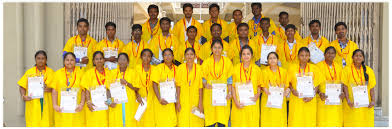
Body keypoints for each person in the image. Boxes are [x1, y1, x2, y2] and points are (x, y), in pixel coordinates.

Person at [287, 47, 324, 127]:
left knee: (309, 121)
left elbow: (317, 84)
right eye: (302, 55)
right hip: (296, 99)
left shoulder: (314, 68)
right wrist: (292, 90)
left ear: (309, 56)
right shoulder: (292, 67)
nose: (304, 58)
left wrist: (312, 95)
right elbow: (288, 82)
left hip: (309, 100)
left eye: (306, 55)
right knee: (295, 121)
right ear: (298, 56)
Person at [17, 50, 55, 127]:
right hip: (33, 104)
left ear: (46, 60)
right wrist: (23, 96)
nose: (41, 60)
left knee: (47, 124)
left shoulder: (52, 73)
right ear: (35, 59)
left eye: (43, 58)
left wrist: (49, 89)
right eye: (38, 58)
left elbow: (57, 89)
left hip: (47, 105)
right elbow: (22, 86)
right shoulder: (29, 72)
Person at [201, 39, 233, 127]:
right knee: (210, 120)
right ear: (211, 49)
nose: (217, 50)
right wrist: (205, 84)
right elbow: (203, 78)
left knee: (221, 120)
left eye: (219, 48)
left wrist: (230, 93)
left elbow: (229, 80)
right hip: (210, 93)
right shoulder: (207, 62)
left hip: (223, 95)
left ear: (222, 49)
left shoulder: (227, 61)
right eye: (215, 47)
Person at [341, 49, 376, 127]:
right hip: (352, 104)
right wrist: (348, 100)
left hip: (365, 105)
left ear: (363, 58)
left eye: (360, 56)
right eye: (356, 56)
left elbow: (371, 87)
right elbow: (345, 86)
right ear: (352, 57)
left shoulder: (369, 70)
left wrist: (373, 100)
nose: (358, 57)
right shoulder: (346, 69)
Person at [49, 52, 85, 127]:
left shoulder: (81, 73)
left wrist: (81, 104)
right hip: (62, 110)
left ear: (75, 61)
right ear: (64, 61)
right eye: (67, 60)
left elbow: (83, 90)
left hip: (77, 109)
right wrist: (55, 105)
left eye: (72, 60)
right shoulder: (57, 73)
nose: (69, 62)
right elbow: (54, 90)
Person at [231, 45, 261, 127]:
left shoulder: (257, 69)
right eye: (243, 54)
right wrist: (236, 102)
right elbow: (232, 87)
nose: (246, 56)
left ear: (252, 55)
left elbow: (259, 85)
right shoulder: (235, 68)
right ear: (241, 56)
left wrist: (257, 95)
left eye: (248, 54)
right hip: (239, 103)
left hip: (252, 102)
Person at [107, 53, 139, 127]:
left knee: (130, 123)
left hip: (129, 104)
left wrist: (127, 83)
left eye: (124, 59)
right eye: (120, 59)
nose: (122, 61)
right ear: (117, 61)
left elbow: (137, 88)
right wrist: (109, 101)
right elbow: (107, 89)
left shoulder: (133, 72)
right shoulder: (112, 73)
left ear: (128, 62)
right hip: (116, 104)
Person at [175, 48, 205, 127]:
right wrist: (177, 102)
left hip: (195, 99)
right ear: (184, 56)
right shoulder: (180, 68)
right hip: (183, 99)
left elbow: (200, 87)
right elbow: (178, 86)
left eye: (191, 54)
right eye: (187, 54)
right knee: (182, 121)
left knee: (196, 122)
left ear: (195, 56)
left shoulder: (199, 68)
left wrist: (200, 103)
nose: (189, 56)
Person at [260, 52, 290, 127]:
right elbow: (261, 84)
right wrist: (264, 89)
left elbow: (287, 85)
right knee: (267, 122)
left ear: (278, 60)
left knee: (279, 121)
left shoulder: (284, 71)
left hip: (280, 100)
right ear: (267, 60)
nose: (272, 60)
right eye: (270, 58)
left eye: (274, 58)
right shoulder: (263, 71)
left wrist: (287, 91)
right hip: (267, 100)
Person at [315, 46, 344, 127]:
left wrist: (342, 92)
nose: (330, 55)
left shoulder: (339, 67)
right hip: (323, 99)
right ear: (324, 54)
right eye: (328, 53)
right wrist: (320, 92)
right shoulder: (318, 66)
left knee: (336, 123)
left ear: (335, 55)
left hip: (336, 101)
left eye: (332, 53)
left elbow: (342, 82)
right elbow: (315, 83)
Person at [81, 51, 110, 127]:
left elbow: (109, 89)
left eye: (101, 58)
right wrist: (88, 101)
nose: (99, 61)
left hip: (105, 105)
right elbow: (86, 89)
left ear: (104, 60)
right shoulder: (88, 73)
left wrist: (110, 100)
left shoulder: (109, 73)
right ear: (93, 61)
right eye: (96, 59)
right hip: (93, 105)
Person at [151, 48, 178, 127]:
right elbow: (154, 84)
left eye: (169, 54)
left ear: (173, 57)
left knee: (172, 123)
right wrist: (159, 98)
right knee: (162, 123)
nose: (167, 57)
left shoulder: (177, 69)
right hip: (161, 101)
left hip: (173, 102)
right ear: (162, 57)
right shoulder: (158, 68)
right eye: (165, 55)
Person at [133, 49, 156, 127]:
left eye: (149, 56)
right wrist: (137, 95)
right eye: (144, 55)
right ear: (141, 57)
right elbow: (134, 85)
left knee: (151, 122)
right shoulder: (136, 69)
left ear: (151, 58)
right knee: (140, 122)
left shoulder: (155, 69)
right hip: (140, 99)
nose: (146, 58)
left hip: (152, 100)